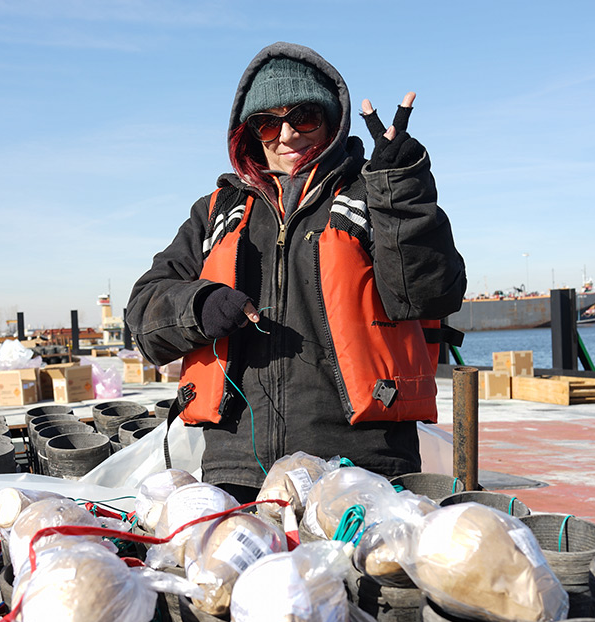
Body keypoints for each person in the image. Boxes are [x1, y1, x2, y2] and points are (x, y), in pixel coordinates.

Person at [126, 42, 466, 501]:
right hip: (237, 474)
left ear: (331, 121)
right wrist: (200, 305)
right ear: (249, 135)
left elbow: (429, 294)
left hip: (364, 468)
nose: (285, 135)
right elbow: (144, 317)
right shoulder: (215, 211)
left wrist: (402, 188)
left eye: (302, 117)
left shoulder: (376, 193)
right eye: (266, 123)